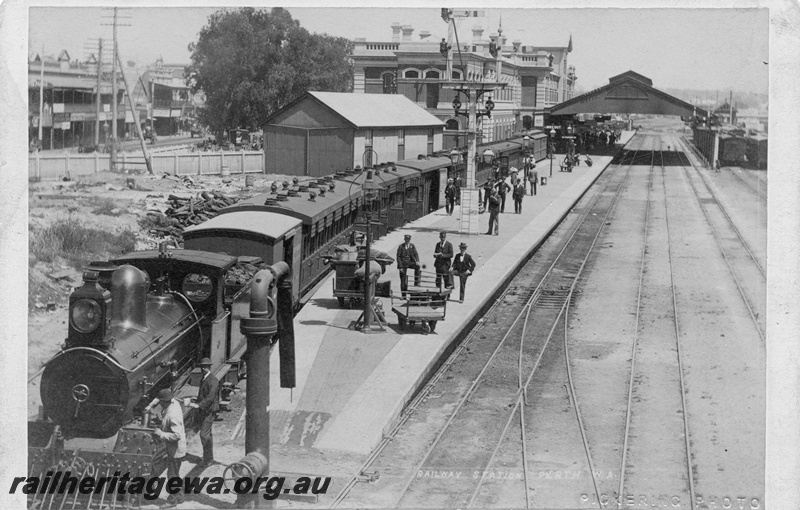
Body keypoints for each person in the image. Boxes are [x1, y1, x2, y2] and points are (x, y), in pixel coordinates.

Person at [153, 388, 186, 508]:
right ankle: (180, 496)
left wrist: (161, 433)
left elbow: (176, 435)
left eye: (160, 402)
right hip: (175, 447)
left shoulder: (172, 415)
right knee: (175, 473)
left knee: (172, 475)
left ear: (164, 402)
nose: (160, 404)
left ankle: (172, 501)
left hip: (175, 449)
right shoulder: (174, 403)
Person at [189, 357, 219, 468]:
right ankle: (209, 457)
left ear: (209, 367)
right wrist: (195, 400)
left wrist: (198, 405)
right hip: (205, 410)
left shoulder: (213, 380)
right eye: (202, 367)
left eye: (205, 367)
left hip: (209, 411)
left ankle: (208, 460)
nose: (203, 368)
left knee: (204, 435)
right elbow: (203, 395)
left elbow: (210, 398)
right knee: (208, 435)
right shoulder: (204, 378)